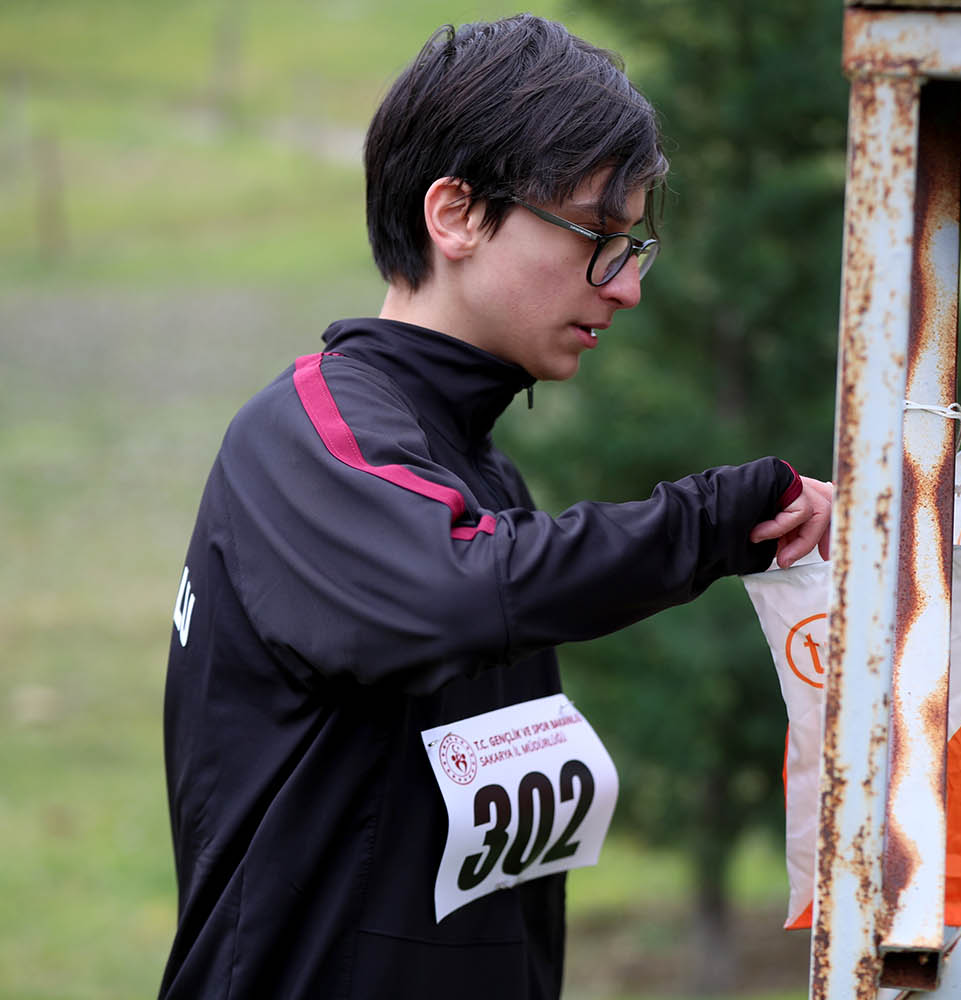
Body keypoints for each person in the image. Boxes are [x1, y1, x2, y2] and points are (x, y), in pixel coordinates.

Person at [158, 15, 831, 999]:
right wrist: (717, 519)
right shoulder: (307, 436)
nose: (630, 286)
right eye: (600, 238)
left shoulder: (474, 474)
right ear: (457, 214)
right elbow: (454, 589)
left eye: (636, 245)